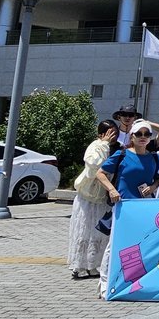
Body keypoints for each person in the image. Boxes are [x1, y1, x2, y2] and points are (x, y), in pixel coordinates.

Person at [95, 119, 159, 298]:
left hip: (144, 207)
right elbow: (100, 173)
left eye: (147, 134)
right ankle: (104, 283)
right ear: (132, 136)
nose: (143, 137)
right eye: (139, 134)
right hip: (123, 206)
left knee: (140, 245)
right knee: (114, 245)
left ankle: (133, 281)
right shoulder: (122, 154)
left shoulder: (155, 158)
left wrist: (153, 187)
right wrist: (112, 189)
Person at [68, 120, 118, 280]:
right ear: (101, 133)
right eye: (109, 132)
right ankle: (78, 265)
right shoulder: (96, 146)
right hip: (87, 197)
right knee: (83, 230)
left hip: (102, 198)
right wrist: (104, 144)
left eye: (115, 133)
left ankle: (93, 265)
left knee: (99, 233)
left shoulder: (117, 149)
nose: (113, 136)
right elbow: (95, 164)